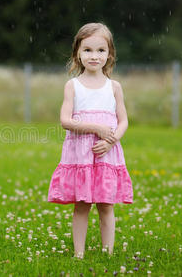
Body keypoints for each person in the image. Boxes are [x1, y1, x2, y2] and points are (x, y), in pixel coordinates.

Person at [47, 22, 133, 259]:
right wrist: (95, 127)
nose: (94, 56)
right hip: (81, 154)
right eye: (87, 50)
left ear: (109, 54)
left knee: (106, 205)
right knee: (82, 205)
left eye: (100, 50)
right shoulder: (72, 86)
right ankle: (79, 254)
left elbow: (123, 121)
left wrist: (111, 140)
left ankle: (108, 253)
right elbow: (65, 120)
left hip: (106, 152)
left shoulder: (114, 87)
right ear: (77, 52)